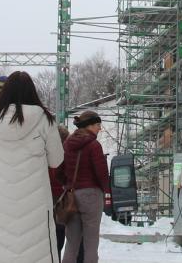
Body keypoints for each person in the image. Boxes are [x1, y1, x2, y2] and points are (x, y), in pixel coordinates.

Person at [0, 71, 65, 263]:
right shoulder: (45, 120)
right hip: (36, 202)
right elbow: (56, 160)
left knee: (5, 250)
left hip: (2, 202)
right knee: (39, 250)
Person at [61, 110, 109, 263]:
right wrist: (107, 191)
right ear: (88, 126)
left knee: (71, 243)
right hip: (91, 195)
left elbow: (59, 170)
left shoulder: (67, 144)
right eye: (97, 125)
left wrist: (67, 184)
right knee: (90, 243)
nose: (99, 128)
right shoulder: (94, 145)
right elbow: (101, 173)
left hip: (71, 195)